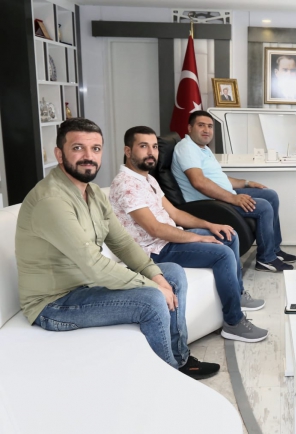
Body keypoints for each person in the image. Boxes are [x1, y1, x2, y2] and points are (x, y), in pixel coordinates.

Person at [15, 118, 219, 380]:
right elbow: (94, 265)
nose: (88, 157)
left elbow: (122, 242)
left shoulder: (93, 193)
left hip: (86, 287)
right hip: (54, 304)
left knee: (171, 273)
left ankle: (179, 360)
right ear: (59, 153)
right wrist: (152, 286)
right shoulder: (52, 200)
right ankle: (167, 379)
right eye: (77, 148)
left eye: (96, 149)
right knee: (151, 300)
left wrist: (155, 276)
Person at [110, 126, 268, 343]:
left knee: (228, 235)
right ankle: (233, 322)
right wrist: (198, 237)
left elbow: (174, 213)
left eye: (154, 147)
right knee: (222, 253)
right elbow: (154, 229)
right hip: (153, 251)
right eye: (143, 146)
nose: (151, 152)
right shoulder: (126, 184)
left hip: (167, 240)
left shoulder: (147, 180)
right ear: (128, 151)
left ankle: (237, 295)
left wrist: (211, 225)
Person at [171, 110, 296, 272]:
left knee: (270, 195)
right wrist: (233, 198)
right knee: (263, 206)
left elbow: (220, 178)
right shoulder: (186, 148)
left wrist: (246, 183)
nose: (206, 130)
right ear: (189, 128)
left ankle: (273, 248)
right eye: (201, 125)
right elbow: (199, 182)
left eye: (210, 126)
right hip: (208, 203)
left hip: (222, 196)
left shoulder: (202, 149)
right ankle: (266, 259)